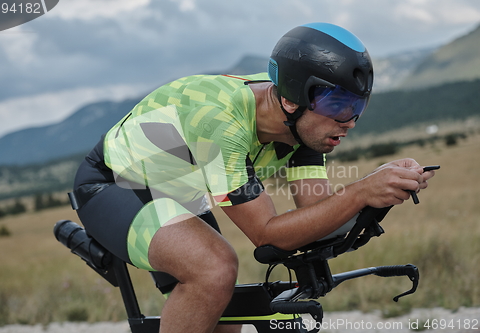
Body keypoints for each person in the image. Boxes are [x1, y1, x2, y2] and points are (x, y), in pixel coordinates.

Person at [70, 22, 435, 333]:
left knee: (225, 315)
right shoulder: (221, 123)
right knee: (214, 269)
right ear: (291, 101)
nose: (350, 121)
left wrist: (379, 192)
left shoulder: (305, 126)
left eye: (358, 106)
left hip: (180, 188)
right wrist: (359, 191)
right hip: (115, 183)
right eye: (338, 106)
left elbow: (315, 216)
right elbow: (266, 235)